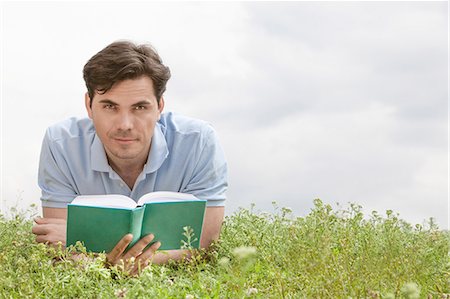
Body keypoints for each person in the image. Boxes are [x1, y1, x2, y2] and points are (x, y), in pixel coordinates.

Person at [32, 40, 228, 275]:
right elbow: (59, 246)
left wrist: (108, 262)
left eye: (139, 108)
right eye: (110, 107)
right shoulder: (60, 144)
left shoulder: (199, 142)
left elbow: (205, 246)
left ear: (159, 107)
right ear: (89, 105)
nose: (125, 125)